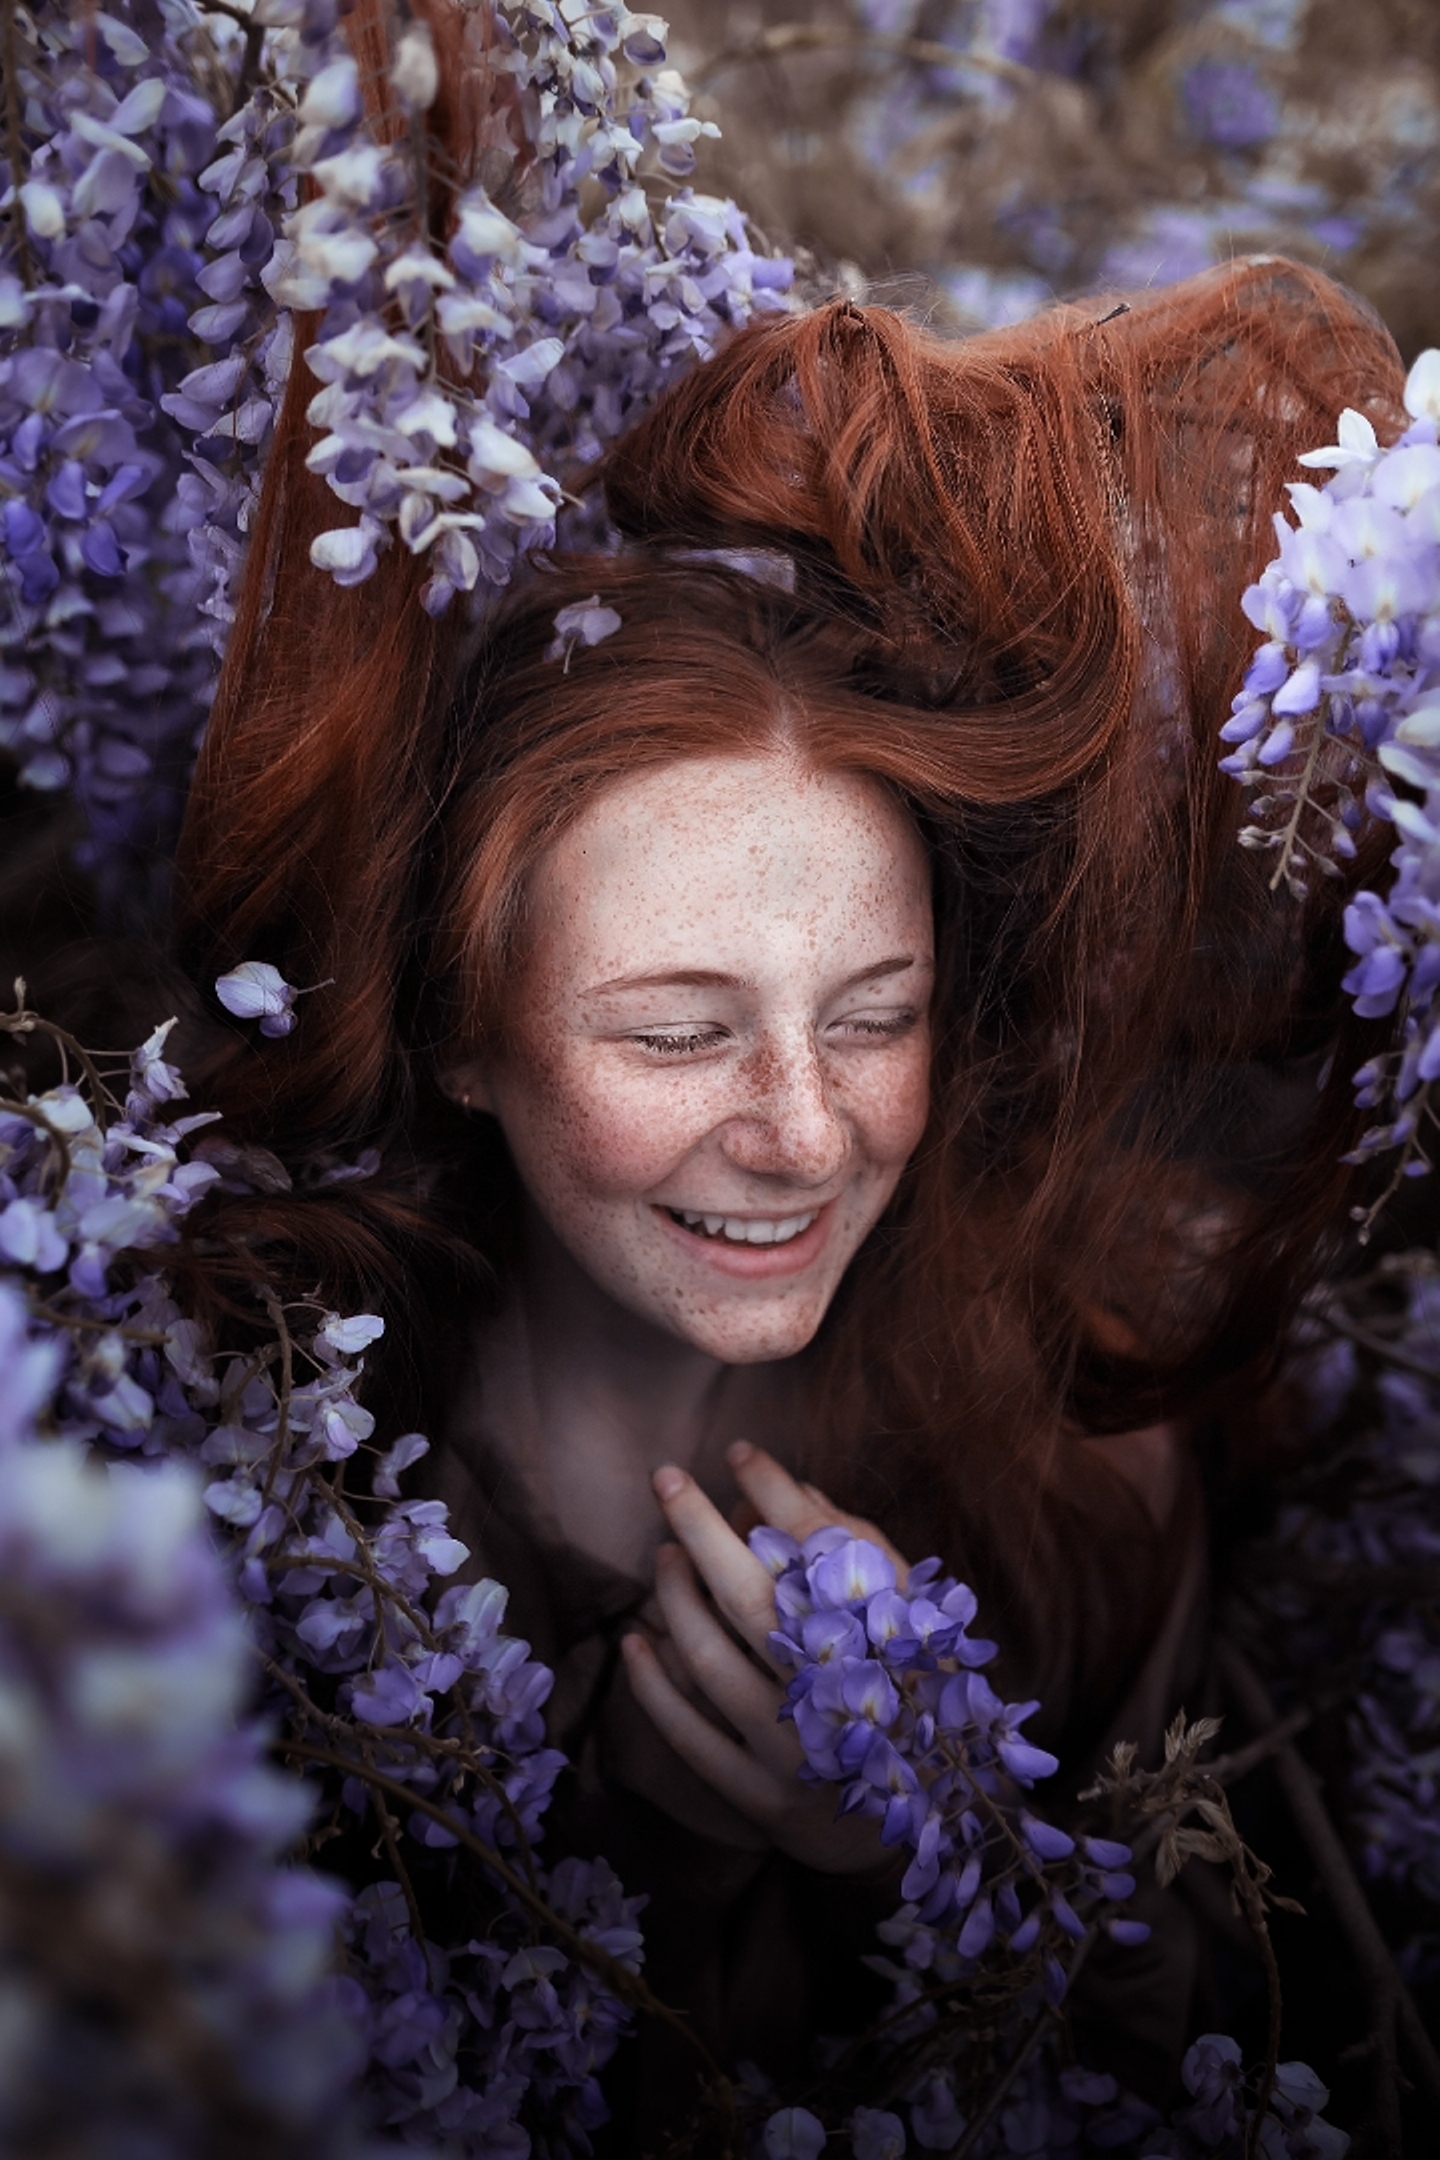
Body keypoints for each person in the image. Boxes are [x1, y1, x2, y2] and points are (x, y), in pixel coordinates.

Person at [173, 257, 1405, 2132]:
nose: (806, 1134)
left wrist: (929, 1842)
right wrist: (638, 1854)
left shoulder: (1076, 1418)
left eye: (876, 1016)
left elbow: (1197, 2045)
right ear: (456, 1037)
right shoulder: (232, 1477)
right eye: (675, 1036)